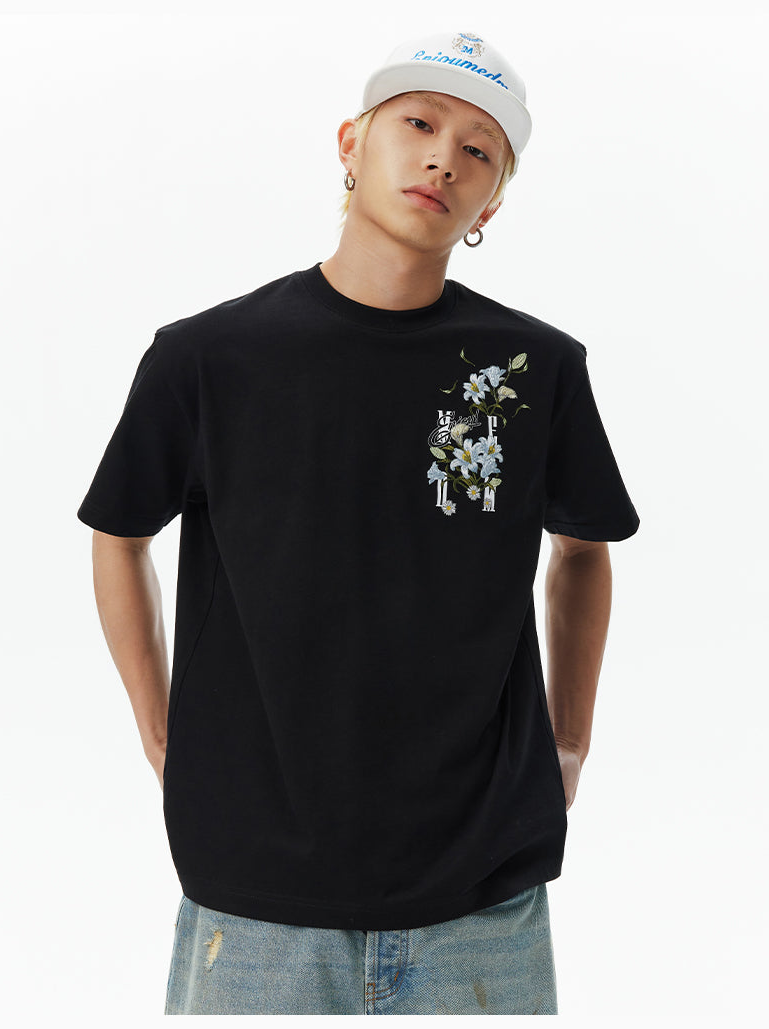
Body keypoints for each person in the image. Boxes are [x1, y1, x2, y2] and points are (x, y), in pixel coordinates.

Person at [77, 29, 639, 1016]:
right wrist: (163, 731)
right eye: (418, 123)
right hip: (256, 893)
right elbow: (119, 535)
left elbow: (583, 550)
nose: (443, 158)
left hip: (482, 891)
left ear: (491, 204)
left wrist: (569, 744)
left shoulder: (530, 369)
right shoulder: (210, 358)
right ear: (351, 141)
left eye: (478, 150)